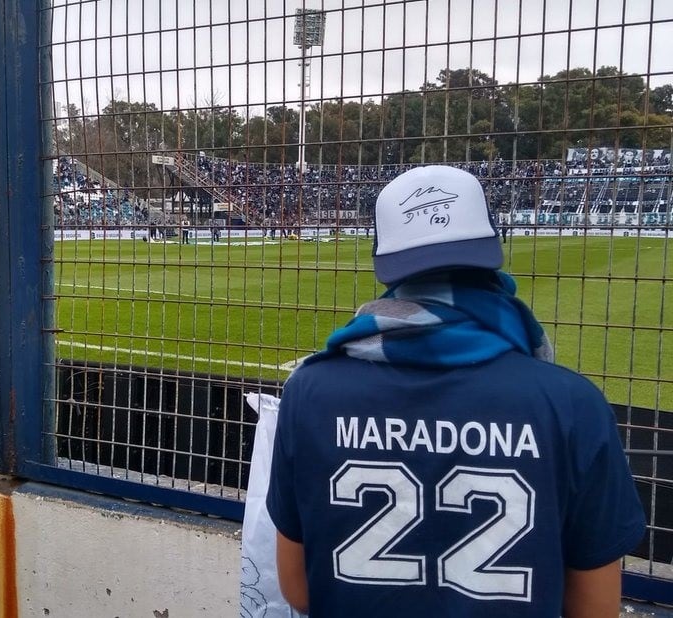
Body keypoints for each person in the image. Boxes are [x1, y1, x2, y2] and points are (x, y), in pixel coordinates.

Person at [266, 165, 645, 618]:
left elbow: (298, 590)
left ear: (385, 261)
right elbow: (595, 609)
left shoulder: (308, 391)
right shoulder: (573, 403)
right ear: (490, 247)